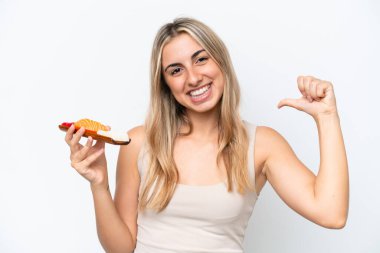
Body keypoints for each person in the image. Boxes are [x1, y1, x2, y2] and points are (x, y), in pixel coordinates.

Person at [64, 17, 349, 253]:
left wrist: (326, 117)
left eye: (201, 59)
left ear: (221, 62)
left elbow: (332, 214)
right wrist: (99, 185)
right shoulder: (139, 142)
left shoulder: (262, 145)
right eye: (176, 70)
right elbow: (121, 249)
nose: (193, 77)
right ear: (166, 85)